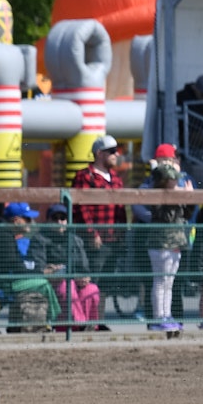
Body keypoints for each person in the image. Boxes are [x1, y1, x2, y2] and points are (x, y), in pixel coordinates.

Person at [0, 202, 58, 332]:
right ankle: (54, 321)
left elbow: (15, 265)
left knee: (41, 282)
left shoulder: (5, 232)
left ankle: (45, 322)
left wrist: (38, 270)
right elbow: (13, 266)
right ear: (16, 221)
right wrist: (40, 271)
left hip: (3, 282)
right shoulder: (3, 235)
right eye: (28, 219)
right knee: (44, 283)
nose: (31, 222)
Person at [70, 134, 126, 318]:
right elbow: (81, 207)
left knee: (105, 283)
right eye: (111, 151)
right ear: (99, 153)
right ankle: (85, 320)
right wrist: (92, 233)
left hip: (113, 239)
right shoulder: (84, 176)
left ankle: (97, 319)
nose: (115, 155)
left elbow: (121, 209)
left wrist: (122, 233)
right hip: (94, 240)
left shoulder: (116, 178)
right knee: (90, 279)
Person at [40, 203, 102, 330]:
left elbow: (84, 267)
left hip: (74, 280)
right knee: (66, 287)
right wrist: (51, 270)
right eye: (55, 218)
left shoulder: (75, 240)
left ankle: (91, 329)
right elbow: (39, 268)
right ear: (48, 220)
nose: (59, 222)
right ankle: (78, 326)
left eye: (62, 218)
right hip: (53, 282)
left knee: (92, 289)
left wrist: (83, 276)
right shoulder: (40, 239)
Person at [146, 164, 190, 332]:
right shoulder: (157, 195)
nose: (176, 182)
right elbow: (165, 217)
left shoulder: (175, 194)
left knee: (169, 282)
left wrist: (186, 199)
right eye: (172, 179)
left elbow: (184, 215)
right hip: (161, 243)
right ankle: (159, 317)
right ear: (164, 181)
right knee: (160, 281)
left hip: (176, 242)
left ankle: (167, 314)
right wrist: (177, 200)